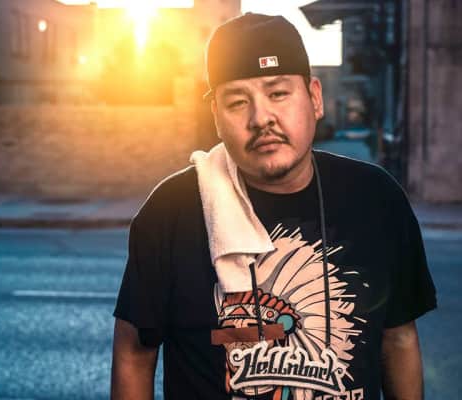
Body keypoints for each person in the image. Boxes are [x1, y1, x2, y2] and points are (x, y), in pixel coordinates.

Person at [111, 13, 436, 400]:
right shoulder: (170, 211)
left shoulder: (377, 199)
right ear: (216, 117)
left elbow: (398, 339)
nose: (261, 118)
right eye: (237, 102)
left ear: (315, 98)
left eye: (278, 94)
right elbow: (134, 354)